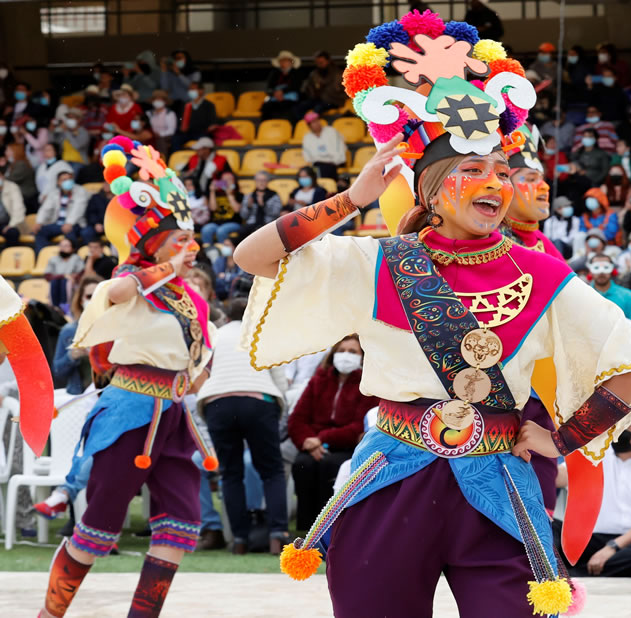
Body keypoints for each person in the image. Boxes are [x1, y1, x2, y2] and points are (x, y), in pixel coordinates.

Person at [234, 17, 631, 615]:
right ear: (431, 189)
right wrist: (353, 200)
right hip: (392, 476)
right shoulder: (378, 260)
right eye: (474, 171)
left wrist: (565, 438)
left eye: (503, 173)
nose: (496, 185)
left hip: (497, 486)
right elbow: (251, 256)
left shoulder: (541, 275)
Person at [35, 140, 216, 618]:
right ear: (155, 244)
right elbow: (111, 293)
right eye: (180, 240)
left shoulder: (190, 299)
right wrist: (162, 267)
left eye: (191, 240)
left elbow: (199, 358)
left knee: (181, 523)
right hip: (131, 410)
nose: (190, 249)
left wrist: (199, 371)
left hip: (174, 417)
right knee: (97, 529)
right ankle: (49, 614)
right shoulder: (134, 282)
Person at [197, 297, 289, 555]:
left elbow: (200, 372)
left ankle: (239, 539)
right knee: (272, 471)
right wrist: (282, 412)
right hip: (259, 402)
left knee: (230, 474)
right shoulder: (263, 331)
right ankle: (278, 533)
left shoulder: (214, 335)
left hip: (218, 404)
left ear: (226, 317)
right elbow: (280, 381)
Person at [553, 408, 631, 577]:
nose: (617, 432)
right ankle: (583, 572)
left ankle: (574, 574)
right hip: (594, 540)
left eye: (626, 426)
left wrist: (613, 547)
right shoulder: (597, 454)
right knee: (549, 528)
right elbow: (558, 477)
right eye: (614, 425)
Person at [287, 336, 379, 531]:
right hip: (312, 445)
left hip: (347, 446)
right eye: (342, 350)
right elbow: (297, 419)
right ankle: (305, 527)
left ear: (362, 357)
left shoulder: (368, 386)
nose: (346, 355)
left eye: (353, 352)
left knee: (331, 466)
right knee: (303, 465)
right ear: (333, 353)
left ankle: (330, 526)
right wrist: (308, 441)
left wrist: (321, 439)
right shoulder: (317, 381)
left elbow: (359, 426)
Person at [503, 131, 560, 259]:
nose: (545, 186)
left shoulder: (542, 242)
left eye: (542, 179)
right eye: (531, 179)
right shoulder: (489, 240)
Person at [52, 277, 101, 395]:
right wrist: (71, 356)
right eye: (89, 296)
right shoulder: (69, 331)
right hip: (79, 397)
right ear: (81, 300)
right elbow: (58, 371)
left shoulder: (115, 328)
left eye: (98, 295)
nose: (94, 300)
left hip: (106, 396)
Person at [35, 170, 92, 251]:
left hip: (75, 224)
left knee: (70, 233)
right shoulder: (54, 193)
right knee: (40, 232)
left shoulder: (80, 191)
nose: (67, 182)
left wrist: (69, 223)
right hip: (57, 224)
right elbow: (45, 209)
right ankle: (44, 255)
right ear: (58, 182)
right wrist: (39, 222)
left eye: (69, 179)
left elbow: (78, 209)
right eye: (64, 180)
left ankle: (71, 258)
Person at [588, 254, 631, 324]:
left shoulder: (628, 296)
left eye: (606, 267)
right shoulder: (582, 296)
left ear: (612, 269)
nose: (601, 272)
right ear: (590, 270)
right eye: (596, 267)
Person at [301, 110, 346, 180]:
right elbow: (308, 157)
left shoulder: (332, 131)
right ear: (309, 125)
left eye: (317, 120)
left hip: (334, 163)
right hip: (317, 165)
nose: (317, 123)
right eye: (313, 122)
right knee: (304, 173)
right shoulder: (307, 137)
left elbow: (340, 150)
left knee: (324, 170)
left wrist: (333, 161)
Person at [173, 82, 217, 150]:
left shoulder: (209, 105)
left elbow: (212, 122)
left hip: (202, 132)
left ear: (201, 90)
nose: (190, 91)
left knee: (205, 141)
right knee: (176, 139)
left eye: (193, 89)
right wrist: (181, 127)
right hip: (187, 133)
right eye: (189, 89)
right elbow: (180, 119)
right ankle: (176, 157)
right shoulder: (185, 105)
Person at [43, 237, 85, 310]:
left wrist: (72, 277)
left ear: (72, 248)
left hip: (72, 286)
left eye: (66, 246)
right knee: (55, 282)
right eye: (61, 246)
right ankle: (55, 308)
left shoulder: (76, 258)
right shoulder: (53, 259)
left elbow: (81, 274)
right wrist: (64, 276)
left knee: (65, 282)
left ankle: (66, 308)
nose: (63, 248)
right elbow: (47, 276)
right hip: (55, 285)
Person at [261, 50, 303, 121]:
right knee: (266, 107)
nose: (284, 63)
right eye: (282, 61)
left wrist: (283, 92)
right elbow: (269, 88)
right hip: (275, 98)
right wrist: (275, 93)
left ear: (291, 62)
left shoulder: (296, 73)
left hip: (291, 100)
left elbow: (296, 87)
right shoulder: (274, 73)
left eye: (286, 61)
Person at [202, 171, 243, 245]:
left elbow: (237, 209)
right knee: (206, 229)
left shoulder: (239, 194)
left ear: (234, 181)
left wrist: (229, 194)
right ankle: (209, 250)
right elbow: (213, 208)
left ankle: (223, 252)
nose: (227, 182)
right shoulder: (216, 194)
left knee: (221, 230)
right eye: (224, 180)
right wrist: (212, 191)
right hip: (216, 222)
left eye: (229, 179)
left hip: (233, 223)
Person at [240, 171, 283, 236]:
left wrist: (263, 206)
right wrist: (248, 207)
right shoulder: (249, 196)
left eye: (264, 180)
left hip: (267, 225)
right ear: (255, 181)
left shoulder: (274, 196)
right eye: (259, 180)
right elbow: (243, 216)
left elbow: (276, 213)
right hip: (251, 225)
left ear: (267, 181)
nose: (261, 182)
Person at [0, 163, 26, 246]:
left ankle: (8, 257)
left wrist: (11, 225)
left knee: (12, 232)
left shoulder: (12, 187)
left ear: (3, 176)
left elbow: (18, 209)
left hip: (8, 223)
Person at [147, 90, 177, 155]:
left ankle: (162, 159)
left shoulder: (169, 113)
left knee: (160, 141)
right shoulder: (148, 113)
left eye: (160, 99)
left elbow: (171, 130)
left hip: (164, 137)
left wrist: (159, 134)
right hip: (150, 135)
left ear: (165, 102)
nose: (157, 101)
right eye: (156, 99)